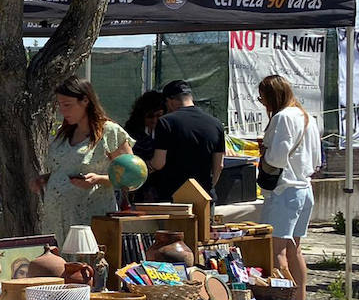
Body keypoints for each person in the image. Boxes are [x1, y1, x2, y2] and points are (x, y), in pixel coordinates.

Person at [31, 76, 134, 244]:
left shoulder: (110, 132)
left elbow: (131, 177)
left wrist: (99, 180)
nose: (63, 111)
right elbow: (66, 168)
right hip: (55, 220)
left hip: (88, 222)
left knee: (85, 266)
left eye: (67, 105)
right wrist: (46, 179)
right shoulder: (63, 132)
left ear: (85, 101)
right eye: (60, 105)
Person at [258, 75, 321, 300]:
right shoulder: (307, 117)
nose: (263, 103)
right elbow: (316, 159)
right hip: (305, 188)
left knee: (277, 253)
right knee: (295, 251)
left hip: (284, 190)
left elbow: (276, 158)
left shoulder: (282, 117)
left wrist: (264, 150)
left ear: (271, 97)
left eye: (263, 98)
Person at [150, 79, 226, 200]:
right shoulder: (216, 124)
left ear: (169, 101)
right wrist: (209, 188)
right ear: (190, 97)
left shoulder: (166, 122)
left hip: (173, 196)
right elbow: (219, 165)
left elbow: (159, 163)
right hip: (204, 195)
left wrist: (146, 166)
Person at [124, 90, 168, 203]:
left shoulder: (169, 131)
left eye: (159, 116)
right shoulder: (132, 132)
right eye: (150, 116)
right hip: (139, 187)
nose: (154, 120)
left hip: (163, 186)